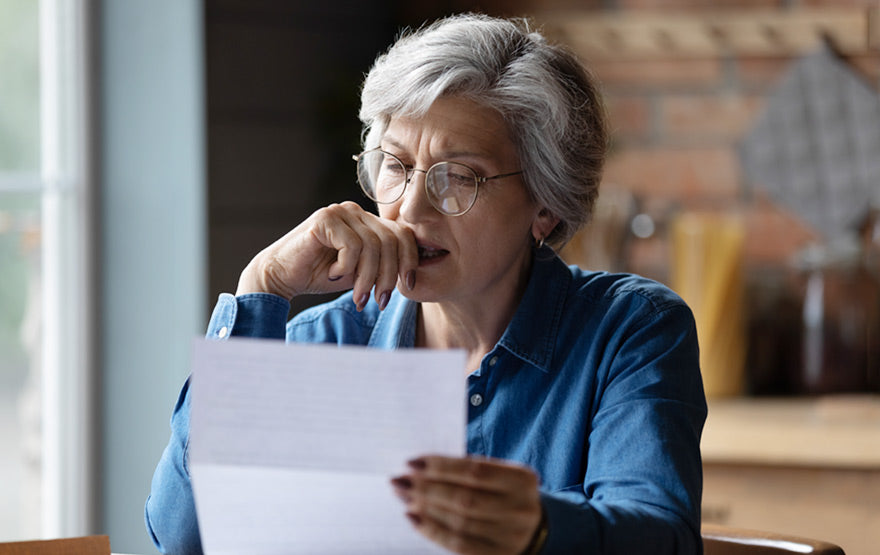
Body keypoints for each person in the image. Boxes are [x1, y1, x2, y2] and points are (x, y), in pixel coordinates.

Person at [145, 13, 706, 555]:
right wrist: (259, 289)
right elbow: (185, 540)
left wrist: (538, 528)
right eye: (394, 164)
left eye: (458, 177)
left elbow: (662, 538)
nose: (410, 210)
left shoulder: (630, 329)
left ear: (546, 206)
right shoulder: (327, 340)